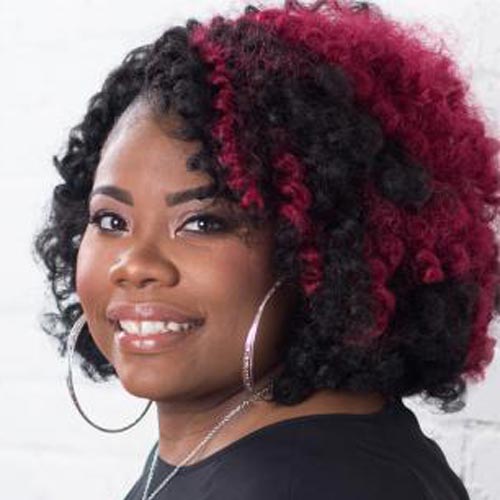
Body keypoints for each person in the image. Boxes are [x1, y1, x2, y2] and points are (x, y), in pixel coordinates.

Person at [32, 1, 500, 498]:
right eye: (111, 221)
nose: (135, 265)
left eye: (202, 222)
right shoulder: (256, 445)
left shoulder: (311, 483)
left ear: (318, 248)